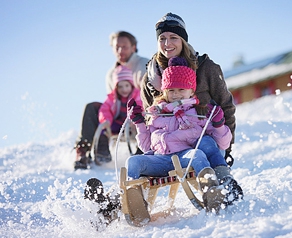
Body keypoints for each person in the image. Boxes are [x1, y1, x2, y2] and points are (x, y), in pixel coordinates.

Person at [126, 57, 243, 214]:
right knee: (132, 161)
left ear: (191, 91)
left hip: (184, 158)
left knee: (198, 154)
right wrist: (140, 124)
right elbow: (147, 146)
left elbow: (222, 144)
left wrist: (219, 124)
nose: (176, 95)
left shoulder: (198, 113)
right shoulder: (156, 114)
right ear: (164, 91)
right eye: (171, 90)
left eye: (181, 90)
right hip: (160, 159)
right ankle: (135, 202)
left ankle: (211, 192)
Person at [141, 12, 236, 168]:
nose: (167, 43)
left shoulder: (206, 68)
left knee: (205, 147)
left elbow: (226, 106)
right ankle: (121, 191)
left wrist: (227, 147)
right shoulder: (151, 78)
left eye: (173, 37)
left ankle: (219, 185)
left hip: (205, 142)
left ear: (183, 40)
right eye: (162, 38)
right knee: (136, 164)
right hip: (168, 151)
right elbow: (149, 119)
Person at [74, 31, 149, 170]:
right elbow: (112, 101)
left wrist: (137, 118)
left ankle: (143, 152)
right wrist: (106, 120)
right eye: (117, 47)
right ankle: (84, 151)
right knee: (92, 107)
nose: (120, 50)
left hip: (142, 113)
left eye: (125, 46)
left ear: (133, 47)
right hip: (119, 117)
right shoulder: (111, 74)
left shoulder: (144, 65)